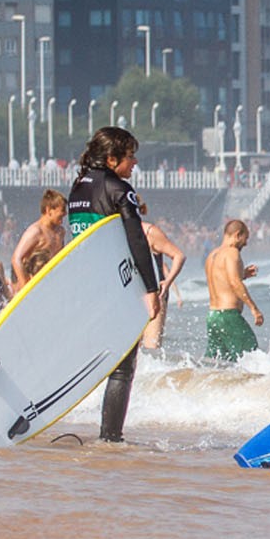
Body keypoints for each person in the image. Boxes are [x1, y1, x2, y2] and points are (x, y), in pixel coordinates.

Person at [68, 127, 162, 442]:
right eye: (130, 155)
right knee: (123, 367)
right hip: (118, 286)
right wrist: (151, 289)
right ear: (112, 159)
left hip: (86, 285)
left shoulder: (78, 188)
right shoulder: (119, 188)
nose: (134, 162)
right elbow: (137, 240)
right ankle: (111, 438)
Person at [205, 219, 264, 362]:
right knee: (251, 358)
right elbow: (234, 283)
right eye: (246, 238)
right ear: (238, 235)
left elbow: (220, 280)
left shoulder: (212, 255)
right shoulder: (232, 253)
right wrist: (254, 308)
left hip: (213, 316)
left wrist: (242, 274)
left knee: (218, 364)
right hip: (228, 316)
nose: (246, 243)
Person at [137, 199, 186, 350]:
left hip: (155, 294)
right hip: (132, 296)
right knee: (131, 352)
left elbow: (178, 256)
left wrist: (168, 283)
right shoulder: (118, 234)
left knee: (152, 347)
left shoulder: (150, 231)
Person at [10, 190, 68, 293]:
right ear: (49, 210)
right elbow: (16, 259)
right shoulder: (35, 231)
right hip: (32, 281)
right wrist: (25, 286)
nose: (65, 213)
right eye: (62, 210)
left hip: (50, 283)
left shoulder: (60, 232)